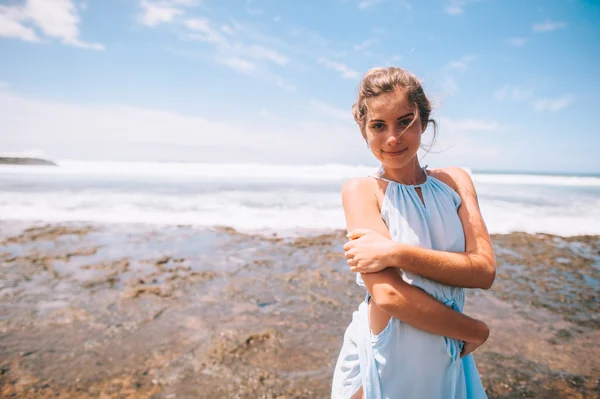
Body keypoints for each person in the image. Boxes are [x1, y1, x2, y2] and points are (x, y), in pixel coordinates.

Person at [331, 67, 495, 399]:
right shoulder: (362, 191)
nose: (393, 137)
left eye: (405, 121)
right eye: (378, 125)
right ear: (363, 130)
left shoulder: (455, 182)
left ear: (423, 121)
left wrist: (396, 253)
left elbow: (484, 271)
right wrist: (474, 330)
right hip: (387, 352)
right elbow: (389, 295)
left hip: (446, 346)